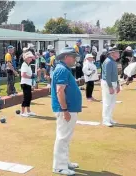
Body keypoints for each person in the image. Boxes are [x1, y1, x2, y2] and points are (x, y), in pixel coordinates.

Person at [51, 47, 81, 176]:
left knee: (66, 138)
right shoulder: (62, 70)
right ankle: (59, 166)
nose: (75, 59)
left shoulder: (64, 69)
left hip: (69, 108)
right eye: (73, 57)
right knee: (63, 137)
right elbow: (60, 91)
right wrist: (65, 110)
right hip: (65, 109)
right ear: (66, 57)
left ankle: (65, 161)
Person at [101, 47, 121, 127]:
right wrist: (110, 87)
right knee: (107, 102)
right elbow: (107, 75)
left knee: (112, 102)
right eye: (117, 52)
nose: (119, 53)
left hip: (113, 83)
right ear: (112, 53)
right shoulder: (108, 62)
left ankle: (109, 118)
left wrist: (118, 84)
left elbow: (115, 74)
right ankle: (105, 120)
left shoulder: (113, 61)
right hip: (108, 83)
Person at [19, 51, 37, 117]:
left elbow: (35, 58)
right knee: (26, 97)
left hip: (28, 83)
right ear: (26, 58)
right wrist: (31, 76)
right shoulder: (24, 64)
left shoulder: (28, 65)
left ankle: (28, 111)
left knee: (29, 97)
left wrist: (32, 75)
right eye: (30, 57)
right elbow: (23, 75)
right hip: (25, 83)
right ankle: (22, 112)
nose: (31, 58)